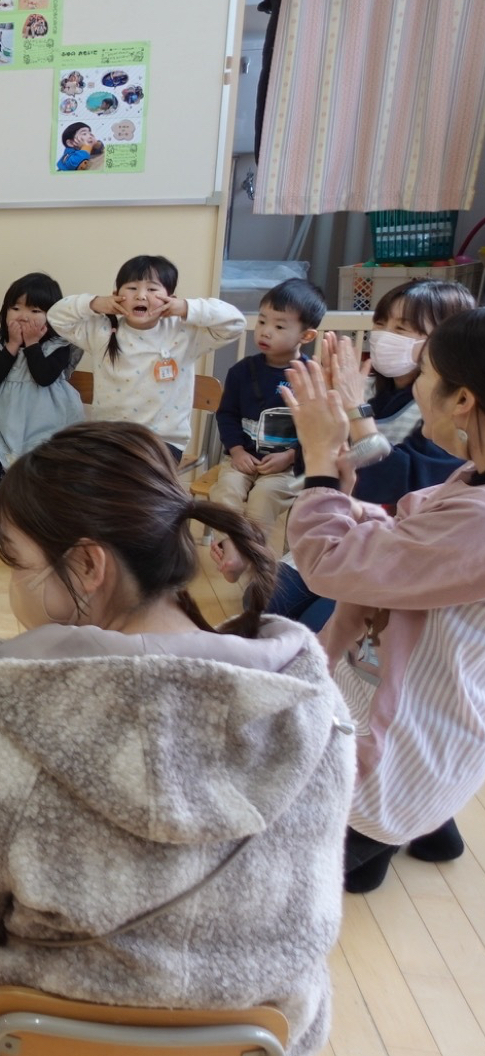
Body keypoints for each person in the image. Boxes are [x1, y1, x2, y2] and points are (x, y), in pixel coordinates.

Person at [0, 421, 352, 1056]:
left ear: (88, 565)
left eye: (19, 565)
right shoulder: (309, 710)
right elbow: (310, 915)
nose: (12, 586)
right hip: (254, 1042)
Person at [284, 315, 485, 893]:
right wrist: (346, 498)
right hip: (438, 725)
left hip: (403, 750)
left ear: (463, 399)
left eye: (424, 373)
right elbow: (413, 533)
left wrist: (320, 465)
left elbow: (327, 563)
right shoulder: (472, 478)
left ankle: (383, 838)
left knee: (291, 867)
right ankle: (417, 834)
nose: (415, 385)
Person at [265, 277, 474, 627]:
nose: (383, 336)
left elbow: (402, 486)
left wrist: (355, 411)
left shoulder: (445, 413)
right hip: (343, 531)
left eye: (401, 328)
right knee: (265, 601)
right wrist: (319, 423)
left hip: (393, 556)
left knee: (318, 626)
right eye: (380, 323)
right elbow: (316, 471)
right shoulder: (366, 388)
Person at [47, 254, 246, 463]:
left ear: (171, 298)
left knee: (127, 477)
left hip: (162, 442)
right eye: (132, 288)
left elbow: (235, 323)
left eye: (152, 289)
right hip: (109, 437)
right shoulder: (102, 331)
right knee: (75, 472)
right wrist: (95, 303)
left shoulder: (185, 333)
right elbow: (55, 317)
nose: (141, 296)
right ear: (115, 296)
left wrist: (186, 308)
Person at [207, 279, 326, 566]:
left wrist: (291, 455)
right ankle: (231, 548)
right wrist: (237, 451)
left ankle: (246, 555)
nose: (265, 331)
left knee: (264, 496)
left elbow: (318, 428)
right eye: (262, 321)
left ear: (306, 335)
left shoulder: (312, 376)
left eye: (279, 326)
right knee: (225, 492)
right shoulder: (240, 372)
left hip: (288, 467)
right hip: (242, 458)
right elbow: (227, 414)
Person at [0, 272, 84, 493]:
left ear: (53, 316)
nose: (23, 316)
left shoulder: (60, 344)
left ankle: (34, 509)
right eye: (15, 308)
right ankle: (8, 505)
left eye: (35, 311)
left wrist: (32, 344)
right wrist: (12, 345)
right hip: (2, 425)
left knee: (51, 468)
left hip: (48, 425)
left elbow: (44, 377)